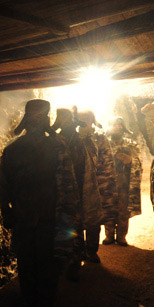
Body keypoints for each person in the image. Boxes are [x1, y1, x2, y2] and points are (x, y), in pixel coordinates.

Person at [0, 100, 77, 307]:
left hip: (31, 214)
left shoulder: (13, 148)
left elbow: (3, 184)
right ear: (47, 120)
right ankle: (43, 302)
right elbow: (68, 183)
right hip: (45, 214)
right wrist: (70, 213)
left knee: (30, 259)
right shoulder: (57, 146)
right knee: (43, 259)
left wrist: (6, 210)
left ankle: (32, 300)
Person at [52, 109, 116, 281]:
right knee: (74, 223)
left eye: (87, 119)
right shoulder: (59, 140)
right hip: (71, 188)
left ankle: (91, 251)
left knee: (93, 220)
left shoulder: (94, 139)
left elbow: (104, 162)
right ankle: (75, 256)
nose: (85, 123)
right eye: (81, 119)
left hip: (92, 185)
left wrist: (105, 186)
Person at [103, 116, 142, 246]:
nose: (118, 127)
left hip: (124, 182)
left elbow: (139, 161)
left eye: (120, 125)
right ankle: (109, 236)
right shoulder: (104, 143)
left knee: (123, 210)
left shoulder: (130, 144)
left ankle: (121, 237)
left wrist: (130, 160)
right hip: (108, 182)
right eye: (115, 125)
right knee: (108, 208)